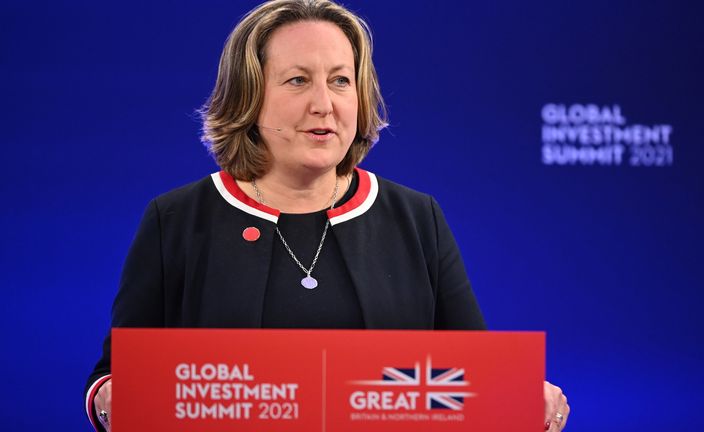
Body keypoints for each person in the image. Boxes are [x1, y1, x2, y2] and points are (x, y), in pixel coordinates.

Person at [84, 1, 570, 430]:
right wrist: (111, 398)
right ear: (248, 98)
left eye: (340, 80)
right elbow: (116, 377)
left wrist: (521, 395)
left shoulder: (416, 216)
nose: (324, 104)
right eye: (298, 80)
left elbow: (469, 376)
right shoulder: (177, 219)